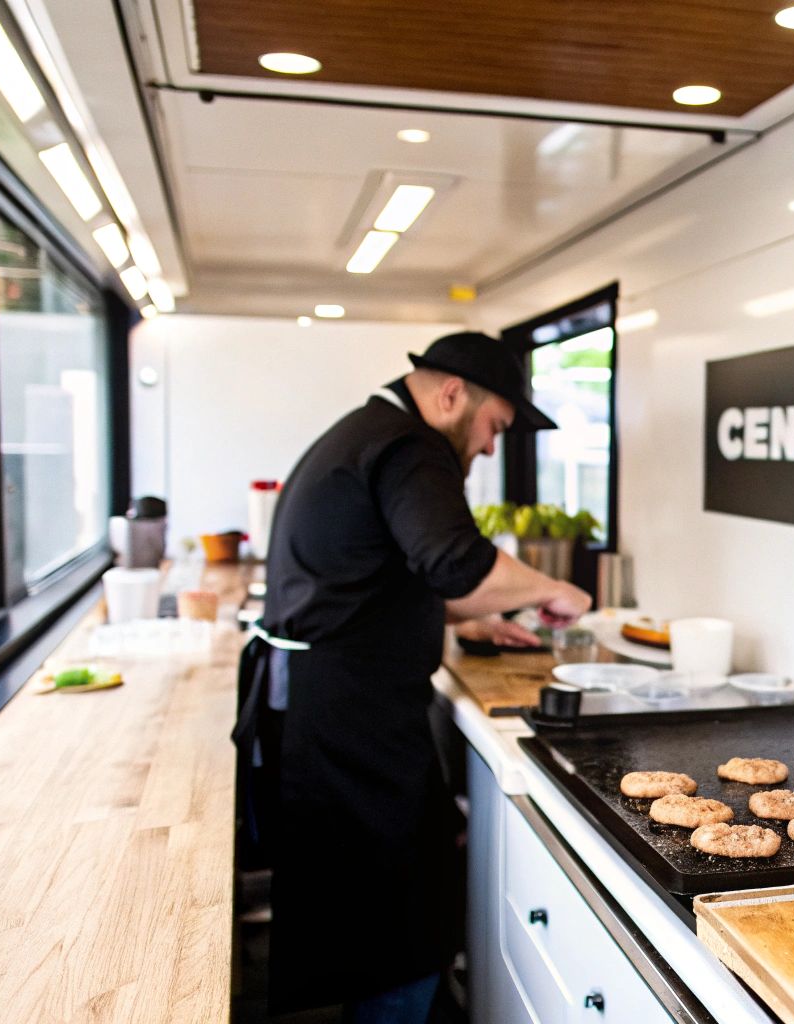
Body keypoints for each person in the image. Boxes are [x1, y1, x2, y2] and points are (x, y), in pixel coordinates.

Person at [237, 331, 590, 1021]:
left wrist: (465, 619)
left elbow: (394, 574)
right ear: (453, 394)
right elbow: (457, 562)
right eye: (494, 427)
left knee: (371, 905)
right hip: (350, 724)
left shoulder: (367, 431)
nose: (490, 447)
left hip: (323, 707)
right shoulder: (411, 445)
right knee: (394, 914)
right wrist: (557, 588)